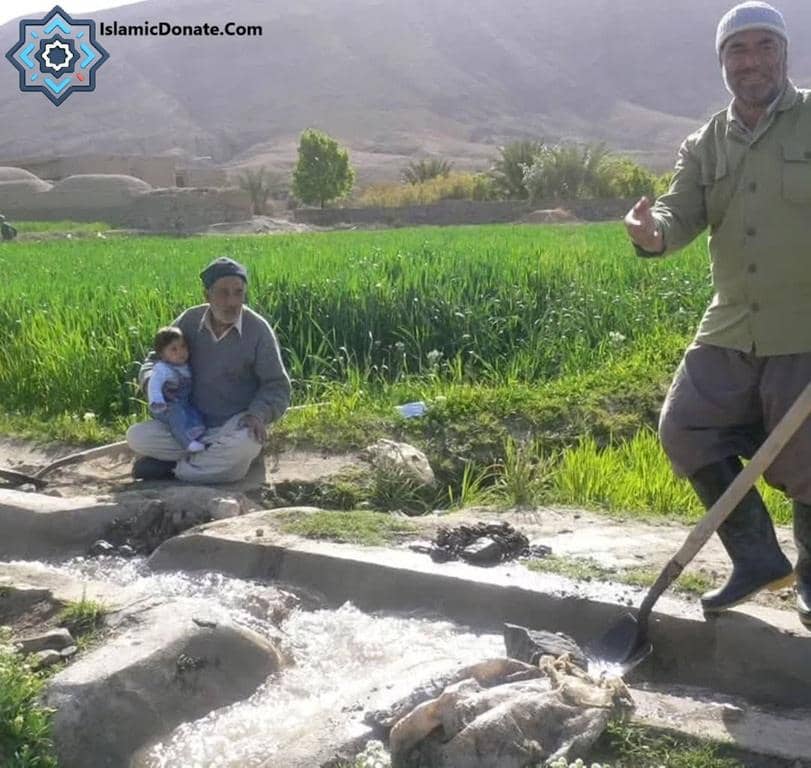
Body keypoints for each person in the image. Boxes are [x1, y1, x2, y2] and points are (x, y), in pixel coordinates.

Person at [624, 1, 811, 629]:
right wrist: (651, 232)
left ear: (784, 53)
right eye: (737, 49)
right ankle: (756, 557)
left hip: (803, 325)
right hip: (732, 322)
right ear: (722, 61)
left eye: (764, 46)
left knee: (809, 461)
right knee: (685, 427)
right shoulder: (705, 142)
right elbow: (678, 212)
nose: (751, 60)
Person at [127, 256, 291, 483]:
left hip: (235, 425)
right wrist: (150, 381)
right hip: (190, 422)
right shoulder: (189, 321)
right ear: (207, 295)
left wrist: (257, 414)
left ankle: (173, 470)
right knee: (137, 436)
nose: (232, 301)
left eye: (238, 293)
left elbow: (276, 385)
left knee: (245, 444)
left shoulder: (258, 330)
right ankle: (210, 464)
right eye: (223, 293)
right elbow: (154, 359)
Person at [147, 326, 207, 453]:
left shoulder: (184, 366)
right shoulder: (163, 369)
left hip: (182, 403)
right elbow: (154, 384)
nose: (181, 352)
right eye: (174, 349)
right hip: (166, 406)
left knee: (193, 414)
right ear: (162, 355)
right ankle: (186, 443)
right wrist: (157, 401)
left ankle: (196, 436)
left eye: (183, 346)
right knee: (177, 415)